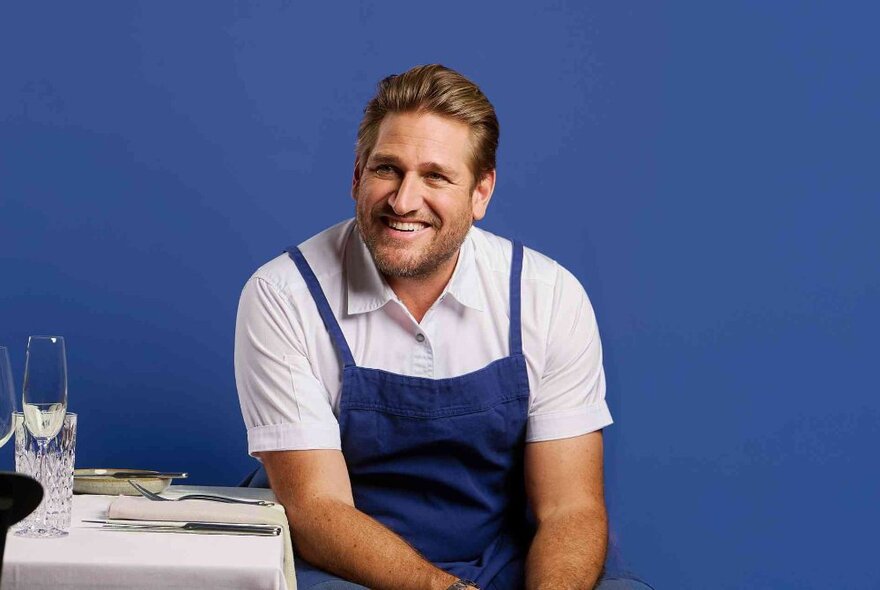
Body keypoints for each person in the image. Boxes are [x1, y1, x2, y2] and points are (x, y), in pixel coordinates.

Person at [235, 65, 648, 590]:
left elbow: (570, 508)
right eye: (387, 169)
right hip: (342, 568)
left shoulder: (547, 296)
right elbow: (315, 509)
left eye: (436, 176)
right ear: (357, 175)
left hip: (506, 563)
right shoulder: (285, 295)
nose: (404, 201)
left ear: (481, 193)